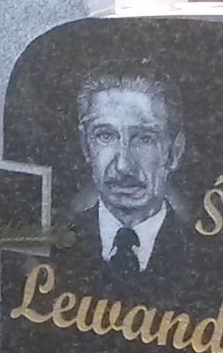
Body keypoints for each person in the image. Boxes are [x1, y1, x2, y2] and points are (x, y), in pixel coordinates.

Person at [71, 73, 193, 273]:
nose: (123, 166)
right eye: (106, 136)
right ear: (85, 145)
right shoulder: (57, 243)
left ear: (174, 151)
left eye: (144, 139)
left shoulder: (204, 254)